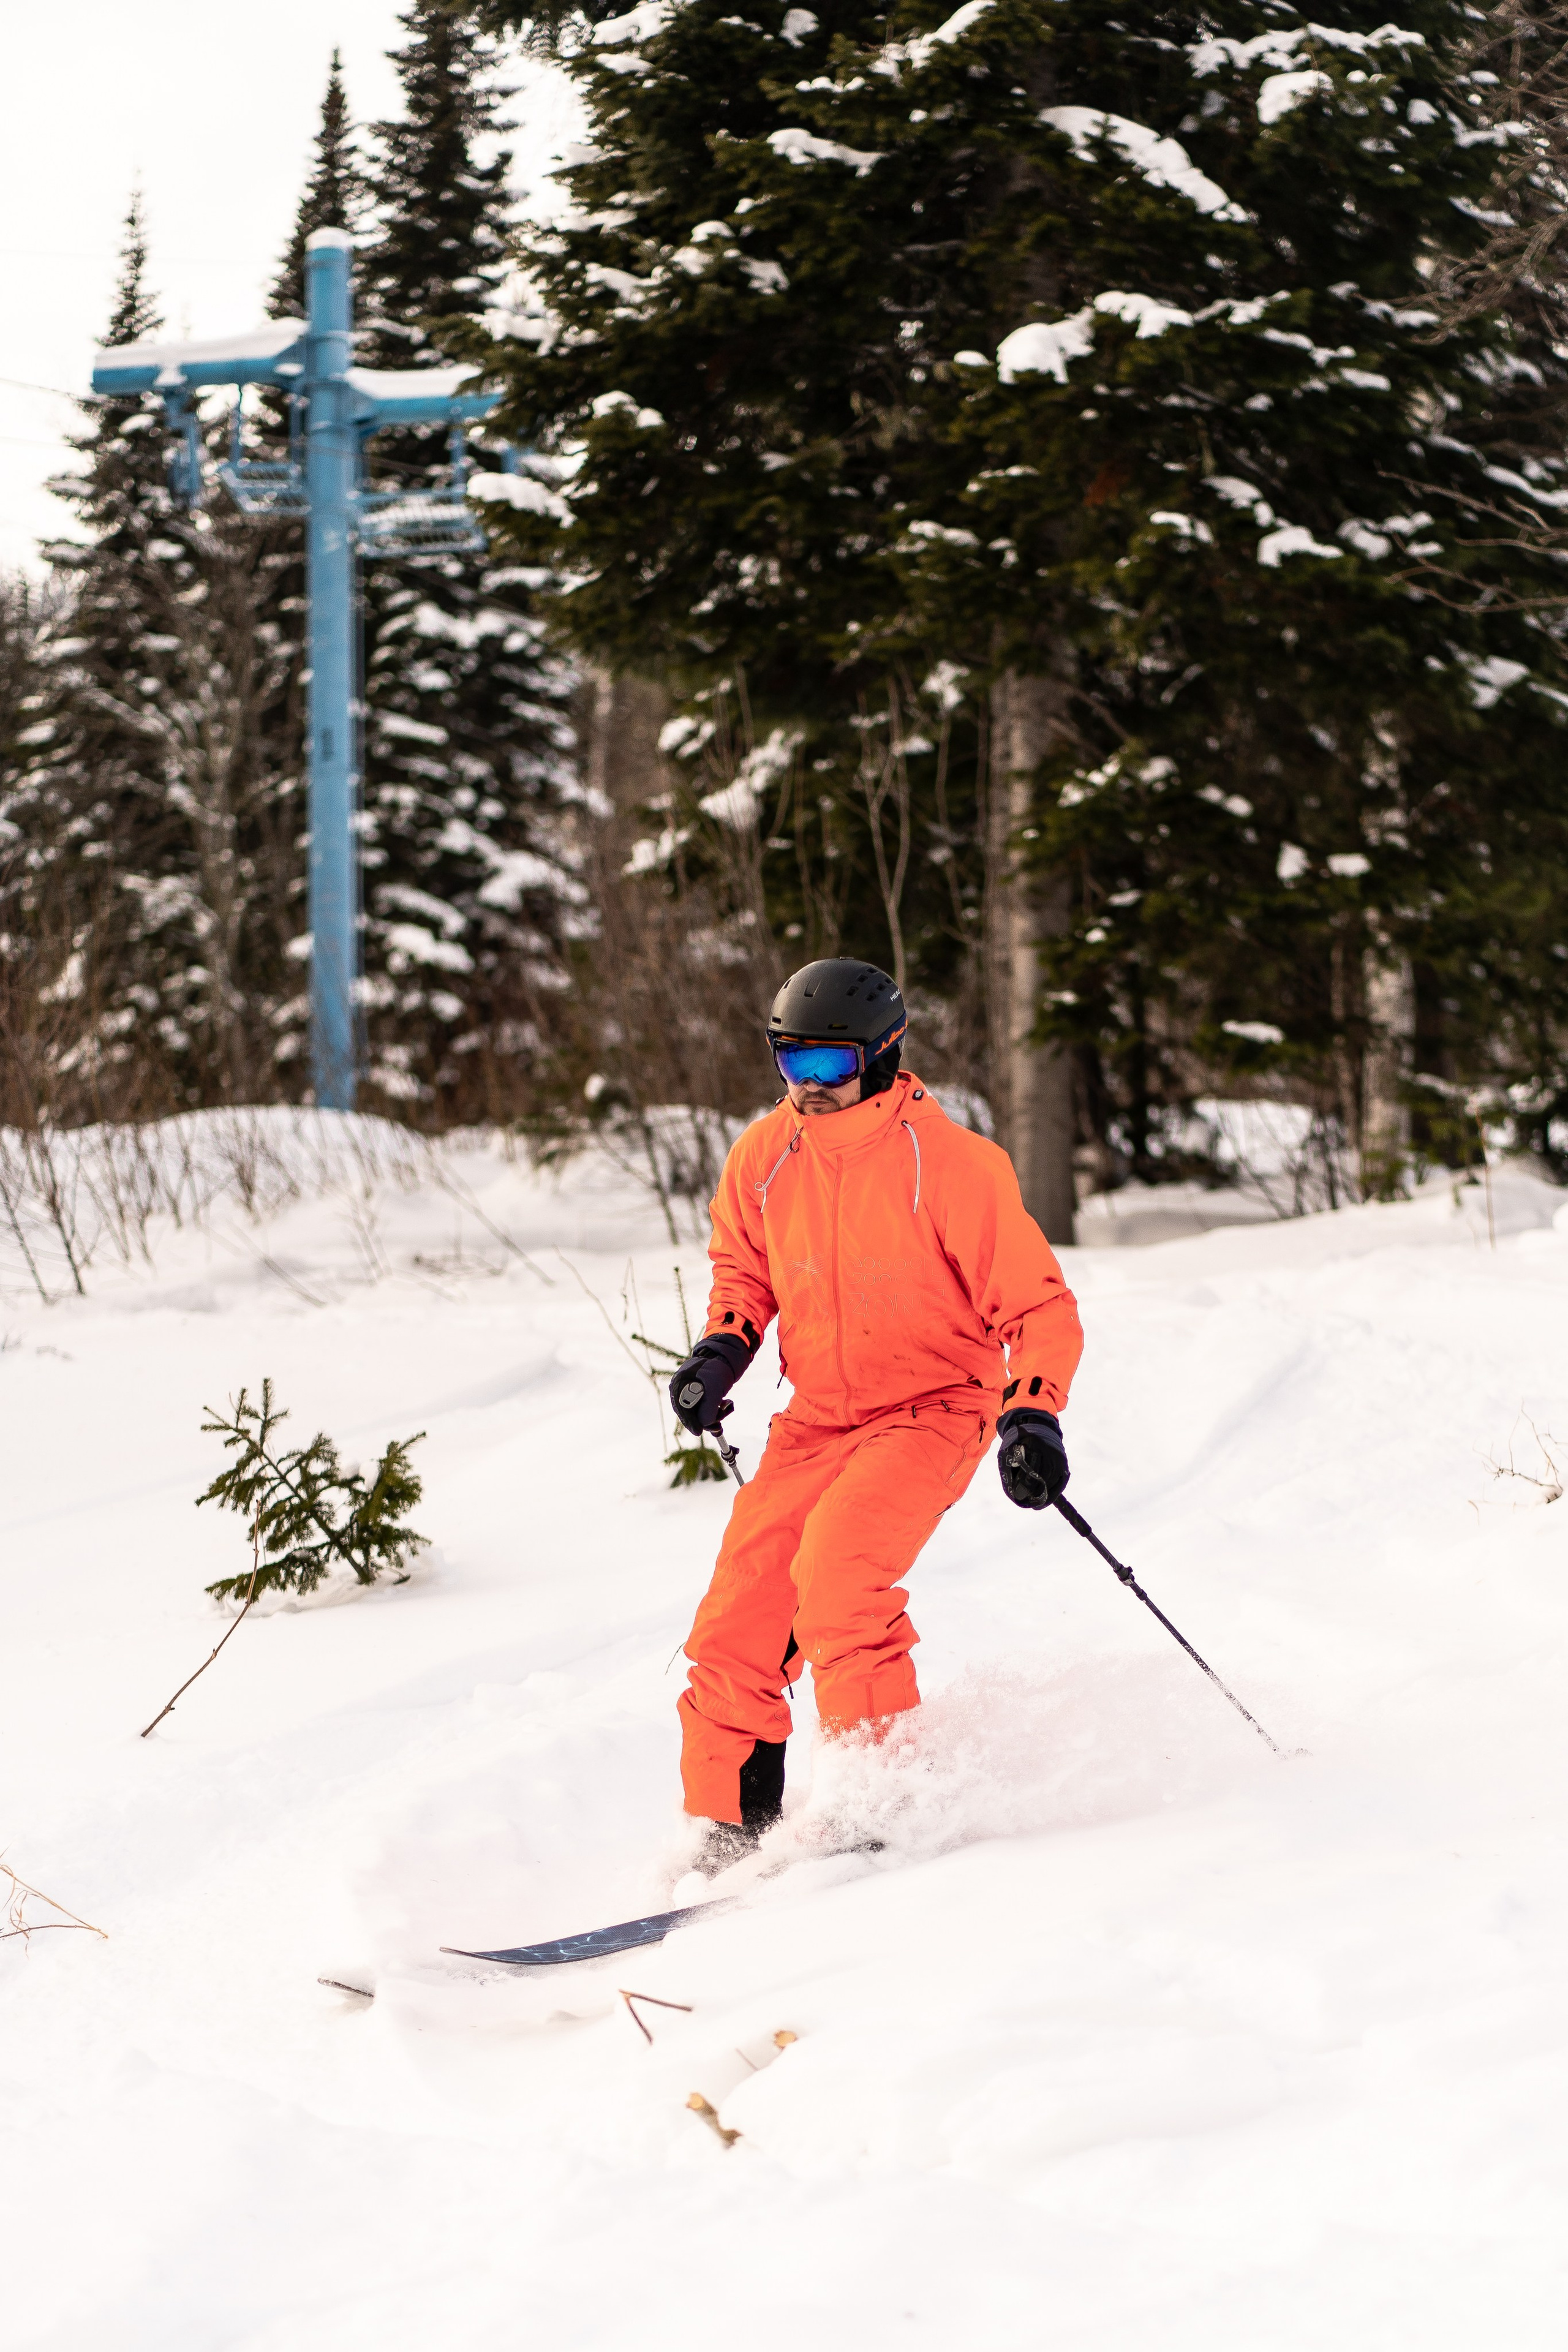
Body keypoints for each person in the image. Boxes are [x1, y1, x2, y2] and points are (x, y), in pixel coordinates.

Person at [668, 957, 1084, 1870]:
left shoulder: (953, 1165)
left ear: (885, 1057)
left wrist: (1033, 1416)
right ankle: (734, 1829)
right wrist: (723, 1347)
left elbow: (1041, 1310)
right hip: (819, 1417)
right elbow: (744, 1270)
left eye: (829, 1068)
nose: (808, 1090)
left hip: (934, 1407)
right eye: (792, 1065)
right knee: (738, 1620)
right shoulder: (764, 1156)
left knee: (841, 1579)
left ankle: (877, 1807)